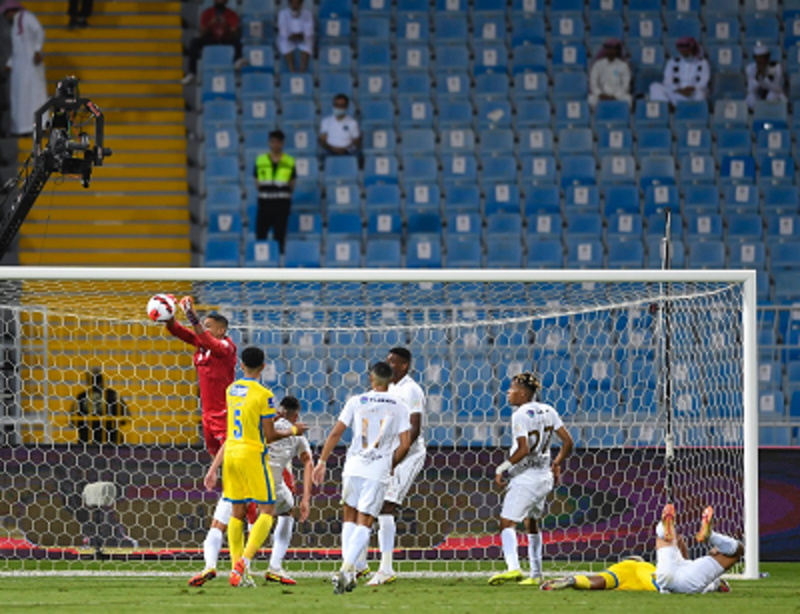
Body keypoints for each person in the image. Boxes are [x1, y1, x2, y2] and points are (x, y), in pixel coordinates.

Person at [203, 346, 308, 588]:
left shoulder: (231, 390)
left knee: (236, 513)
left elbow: (232, 428)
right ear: (263, 367)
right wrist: (294, 430)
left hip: (231, 453)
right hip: (252, 454)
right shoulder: (264, 395)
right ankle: (244, 562)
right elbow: (269, 435)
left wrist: (213, 468)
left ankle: (237, 570)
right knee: (268, 510)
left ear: (241, 366)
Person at [312, 362, 412, 595]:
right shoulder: (400, 405)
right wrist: (391, 463)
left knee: (349, 516)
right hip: (376, 470)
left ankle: (348, 570)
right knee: (365, 521)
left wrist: (322, 461)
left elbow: (336, 432)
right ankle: (347, 568)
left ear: (371, 379)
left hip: (353, 467)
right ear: (390, 381)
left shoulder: (357, 401)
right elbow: (406, 443)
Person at [164, 297, 239, 588]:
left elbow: (201, 335)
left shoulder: (226, 348)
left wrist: (193, 317)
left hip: (224, 416)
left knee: (228, 468)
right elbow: (182, 333)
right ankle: (235, 507)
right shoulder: (203, 345)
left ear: (221, 330)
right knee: (224, 473)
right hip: (207, 417)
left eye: (208, 327)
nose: (202, 331)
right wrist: (169, 318)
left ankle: (246, 516)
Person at [488, 372, 574, 587]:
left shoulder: (520, 415)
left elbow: (524, 449)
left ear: (523, 393)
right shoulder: (549, 410)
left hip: (525, 478)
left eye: (512, 388)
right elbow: (568, 442)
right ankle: (536, 573)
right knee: (532, 523)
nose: (508, 392)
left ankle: (513, 568)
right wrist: (557, 462)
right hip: (544, 477)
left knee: (507, 523)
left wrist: (502, 468)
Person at [363, 347, 426, 586]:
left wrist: (394, 460)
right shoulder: (386, 389)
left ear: (404, 366)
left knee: (386, 506)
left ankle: (386, 568)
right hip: (388, 454)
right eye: (387, 360)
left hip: (408, 454)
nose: (388, 364)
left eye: (393, 361)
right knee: (373, 505)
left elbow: (414, 428)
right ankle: (362, 565)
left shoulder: (410, 390)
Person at [263, 395, 314, 586]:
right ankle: (275, 566)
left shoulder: (267, 424)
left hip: (248, 478)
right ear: (296, 416)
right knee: (287, 510)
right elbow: (308, 462)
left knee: (244, 513)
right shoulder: (297, 433)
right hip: (273, 485)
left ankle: (242, 565)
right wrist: (306, 499)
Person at [653, 503, 743, 594]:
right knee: (739, 549)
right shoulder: (712, 580)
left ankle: (664, 527)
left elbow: (679, 541)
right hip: (688, 582)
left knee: (665, 537)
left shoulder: (706, 573)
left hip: (665, 574)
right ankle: (711, 536)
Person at [2, 0, 47, 136]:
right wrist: (9, 64)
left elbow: (39, 32)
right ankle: (22, 129)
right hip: (19, 68)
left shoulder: (27, 18)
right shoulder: (16, 23)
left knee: (34, 98)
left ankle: (38, 127)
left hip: (31, 67)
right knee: (19, 99)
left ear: (11, 11)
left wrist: (37, 50)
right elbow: (17, 49)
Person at [182, 0, 243, 85]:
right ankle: (192, 73)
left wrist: (225, 25)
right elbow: (202, 33)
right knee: (194, 42)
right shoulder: (207, 13)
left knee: (237, 40)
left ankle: (237, 60)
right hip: (211, 39)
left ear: (226, 1)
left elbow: (234, 33)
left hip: (225, 39)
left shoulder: (232, 14)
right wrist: (210, 24)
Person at [255, 130, 296, 254]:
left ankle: (278, 263)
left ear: (282, 143)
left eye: (278, 142)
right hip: (265, 202)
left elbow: (292, 182)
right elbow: (256, 181)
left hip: (281, 203)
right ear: (269, 143)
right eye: (273, 142)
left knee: (279, 235)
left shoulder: (289, 161)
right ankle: (261, 263)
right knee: (261, 233)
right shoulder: (260, 160)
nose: (275, 145)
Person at [72, 367, 129, 445]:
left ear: (88, 381)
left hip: (87, 440)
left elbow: (73, 421)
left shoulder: (81, 396)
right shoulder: (112, 394)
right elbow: (124, 418)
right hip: (110, 439)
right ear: (102, 380)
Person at [649, 37, 710, 105]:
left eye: (687, 53)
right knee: (654, 87)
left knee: (700, 94)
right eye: (682, 53)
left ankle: (687, 107)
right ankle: (669, 107)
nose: (684, 54)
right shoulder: (672, 62)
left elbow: (703, 82)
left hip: (693, 94)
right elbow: (667, 82)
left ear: (693, 50)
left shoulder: (703, 62)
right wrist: (678, 90)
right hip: (677, 93)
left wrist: (692, 89)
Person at [588, 39, 632, 108]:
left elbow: (625, 85)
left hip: (617, 95)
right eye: (609, 49)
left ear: (617, 51)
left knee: (628, 99)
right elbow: (593, 83)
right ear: (605, 50)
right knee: (591, 99)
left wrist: (615, 96)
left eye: (613, 49)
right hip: (601, 95)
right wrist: (600, 94)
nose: (611, 51)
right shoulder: (597, 64)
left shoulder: (623, 65)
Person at [319, 94, 361, 160]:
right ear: (333, 106)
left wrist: (345, 149)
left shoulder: (353, 123)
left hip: (348, 150)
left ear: (346, 107)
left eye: (341, 106)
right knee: (323, 155)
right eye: (336, 105)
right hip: (330, 150)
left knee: (358, 155)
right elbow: (322, 140)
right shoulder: (326, 121)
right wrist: (333, 149)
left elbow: (356, 141)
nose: (338, 108)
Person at [277, 0, 313, 74]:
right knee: (284, 45)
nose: (295, 5)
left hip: (302, 37)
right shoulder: (283, 14)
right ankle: (292, 72)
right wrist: (290, 36)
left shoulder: (307, 14)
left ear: (301, 4)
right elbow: (282, 28)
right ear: (289, 4)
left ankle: (302, 73)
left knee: (307, 46)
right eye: (293, 3)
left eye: (297, 3)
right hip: (288, 37)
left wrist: (302, 35)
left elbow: (309, 29)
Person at [746, 43, 786, 109]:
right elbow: (751, 89)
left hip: (775, 95)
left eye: (762, 57)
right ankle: (755, 114)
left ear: (767, 58)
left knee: (771, 95)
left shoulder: (775, 67)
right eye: (757, 58)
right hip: (759, 94)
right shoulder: (750, 68)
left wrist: (764, 78)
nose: (759, 60)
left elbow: (776, 88)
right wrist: (757, 77)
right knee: (751, 97)